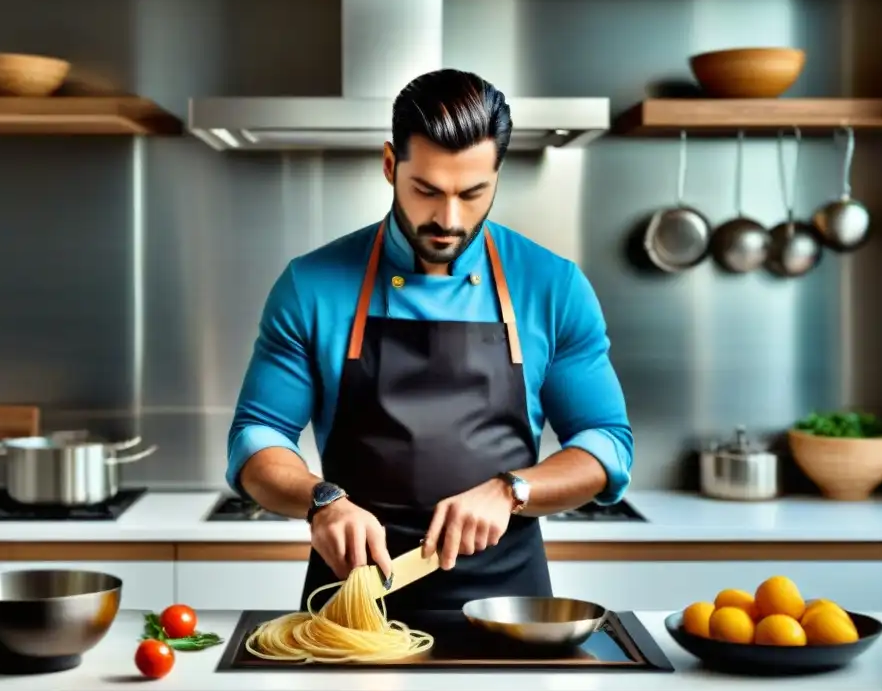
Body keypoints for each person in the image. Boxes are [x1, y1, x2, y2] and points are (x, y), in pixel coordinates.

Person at [228, 68, 633, 612]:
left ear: (497, 175)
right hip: (352, 610)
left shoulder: (552, 286)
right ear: (391, 165)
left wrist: (513, 490)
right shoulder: (312, 285)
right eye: (427, 190)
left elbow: (605, 444)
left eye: (473, 193)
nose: (449, 218)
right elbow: (258, 434)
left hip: (508, 611)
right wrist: (320, 500)